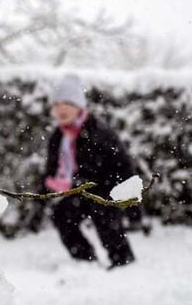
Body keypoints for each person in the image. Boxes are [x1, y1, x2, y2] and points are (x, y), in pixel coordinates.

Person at [41, 74, 136, 269]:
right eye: (57, 104)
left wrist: (131, 201)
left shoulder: (99, 132)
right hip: (79, 192)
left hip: (106, 191)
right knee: (62, 215)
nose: (61, 109)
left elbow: (123, 166)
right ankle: (85, 260)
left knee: (106, 220)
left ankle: (123, 262)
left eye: (68, 103)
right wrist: (47, 187)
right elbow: (51, 169)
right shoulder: (58, 136)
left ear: (79, 106)